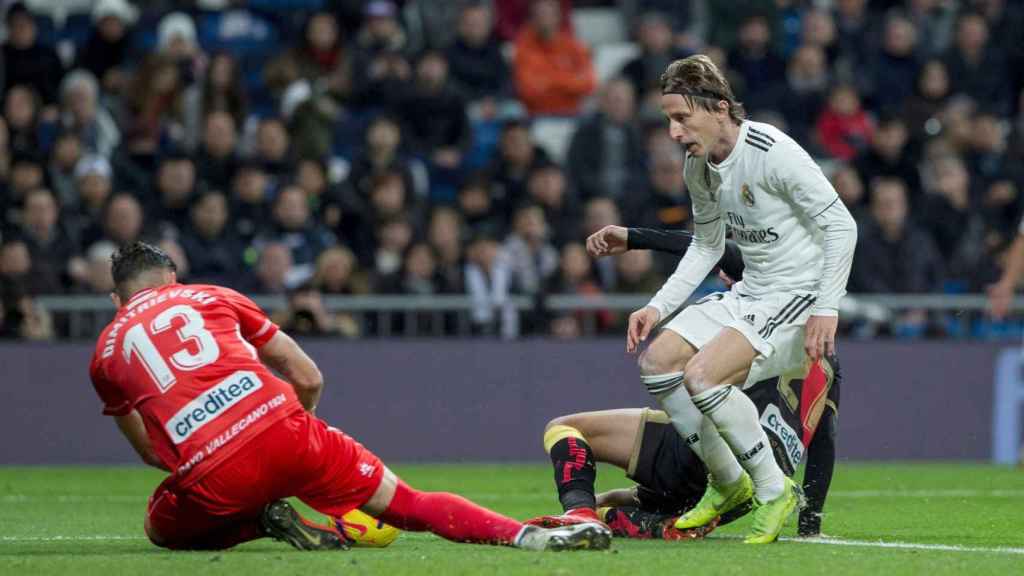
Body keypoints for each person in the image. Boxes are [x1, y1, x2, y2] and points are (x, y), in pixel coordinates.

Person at [88, 241, 611, 552]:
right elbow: (307, 375)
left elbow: (152, 452)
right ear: (173, 278)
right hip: (290, 429)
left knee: (162, 523)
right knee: (408, 504)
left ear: (118, 298)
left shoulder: (106, 353)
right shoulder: (214, 295)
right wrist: (296, 428)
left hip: (215, 467)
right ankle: (529, 537)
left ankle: (259, 522)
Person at [619, 55, 856, 544]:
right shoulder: (697, 167)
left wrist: (827, 308)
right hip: (751, 293)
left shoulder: (772, 151)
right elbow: (707, 245)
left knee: (702, 376)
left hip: (798, 297)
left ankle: (773, 491)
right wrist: (657, 307)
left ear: (720, 107)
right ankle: (728, 483)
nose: (673, 131)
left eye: (681, 117)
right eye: (667, 119)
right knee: (658, 362)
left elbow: (841, 224)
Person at [528, 224, 839, 540]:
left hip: (700, 452)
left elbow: (706, 245)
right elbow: (823, 444)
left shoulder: (752, 312)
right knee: (622, 498)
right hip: (753, 484)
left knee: (565, 428)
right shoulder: (825, 358)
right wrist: (809, 526)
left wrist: (634, 237)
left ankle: (582, 512)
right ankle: (637, 517)